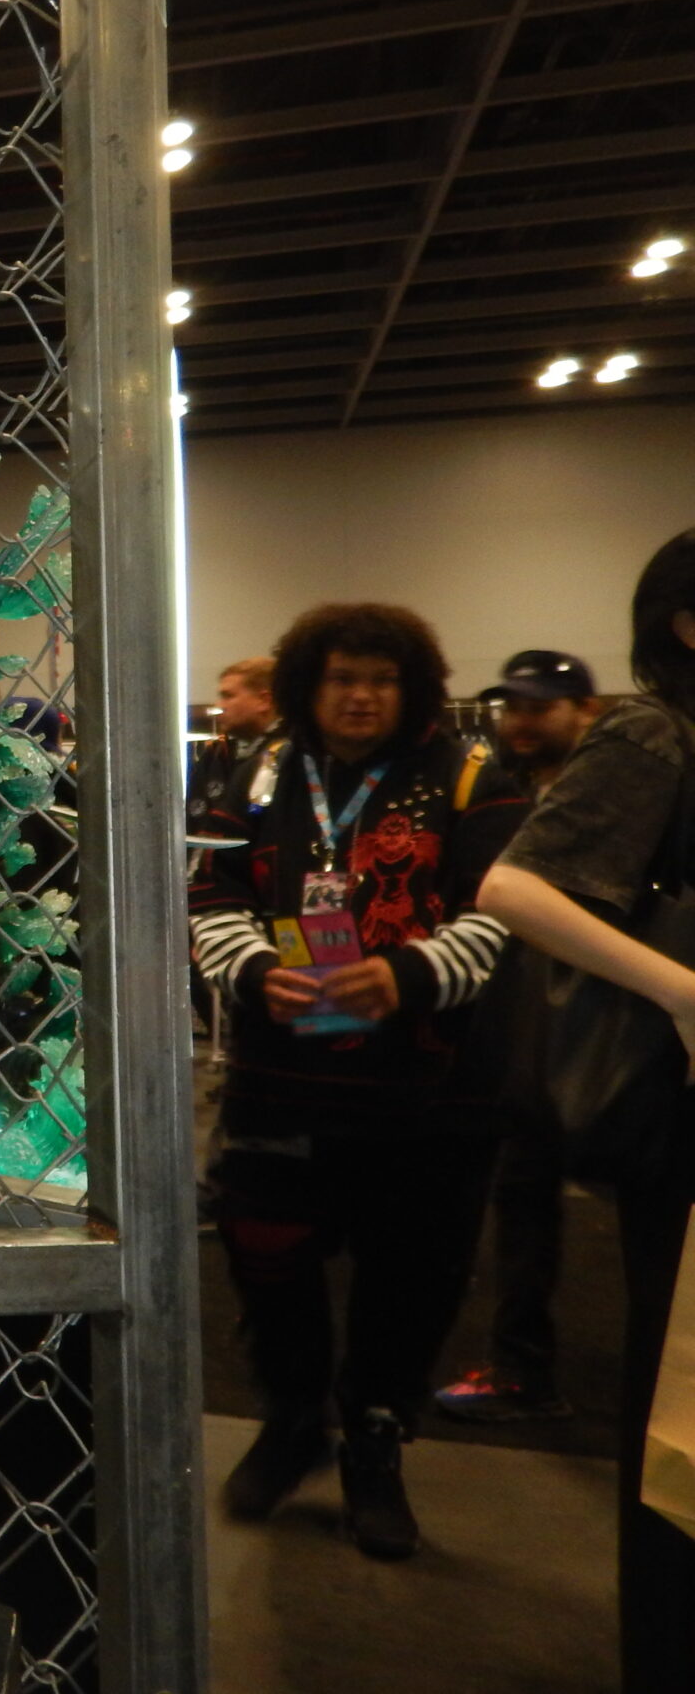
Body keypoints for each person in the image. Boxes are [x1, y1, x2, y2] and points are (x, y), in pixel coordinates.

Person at [189, 602, 526, 1559]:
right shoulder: (263, 771)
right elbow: (210, 891)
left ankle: (375, 1442)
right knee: (266, 1253)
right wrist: (255, 969)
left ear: (414, 688)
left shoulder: (473, 775)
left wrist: (410, 975)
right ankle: (294, 1419)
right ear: (309, 684)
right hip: (281, 1078)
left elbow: (505, 912)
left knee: (410, 1279)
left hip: (434, 1094)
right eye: (343, 678)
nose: (362, 697)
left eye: (382, 679)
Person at [478, 531, 695, 1693]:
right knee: (680, 1408)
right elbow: (512, 886)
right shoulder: (656, 731)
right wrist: (682, 993)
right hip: (678, 1113)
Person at [436, 649, 602, 1425]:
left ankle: (530, 1373)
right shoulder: (509, 790)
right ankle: (520, 1367)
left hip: (597, 1030)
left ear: (585, 712)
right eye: (514, 707)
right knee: (522, 1194)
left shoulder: (603, 794)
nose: (522, 721)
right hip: (524, 1028)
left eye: (541, 707)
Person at [187, 656, 278, 825]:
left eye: (228, 696)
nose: (219, 706)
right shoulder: (216, 754)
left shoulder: (291, 755)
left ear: (264, 701)